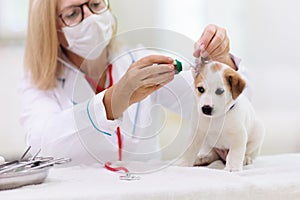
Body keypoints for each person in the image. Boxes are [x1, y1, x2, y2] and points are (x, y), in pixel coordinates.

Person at [20, 0, 248, 165]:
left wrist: (222, 62)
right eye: (72, 14)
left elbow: (236, 114)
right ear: (53, 30)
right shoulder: (40, 81)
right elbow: (41, 146)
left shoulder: (140, 62)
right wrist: (111, 102)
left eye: (96, 4)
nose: (90, 17)